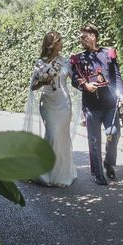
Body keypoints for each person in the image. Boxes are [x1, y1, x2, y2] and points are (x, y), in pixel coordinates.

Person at [70, 24, 123, 186]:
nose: (81, 39)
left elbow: (117, 76)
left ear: (93, 36)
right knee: (93, 141)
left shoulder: (108, 53)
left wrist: (121, 96)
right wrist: (84, 86)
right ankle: (97, 173)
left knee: (113, 133)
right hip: (91, 106)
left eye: (84, 36)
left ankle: (109, 163)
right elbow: (75, 79)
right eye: (80, 37)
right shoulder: (78, 58)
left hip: (110, 104)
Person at [24, 31, 78, 187]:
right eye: (59, 41)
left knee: (62, 138)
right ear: (51, 44)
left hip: (64, 105)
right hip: (47, 103)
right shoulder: (40, 63)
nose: (62, 43)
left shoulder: (66, 62)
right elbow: (33, 87)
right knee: (53, 136)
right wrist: (43, 80)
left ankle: (62, 174)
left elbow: (76, 81)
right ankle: (44, 173)